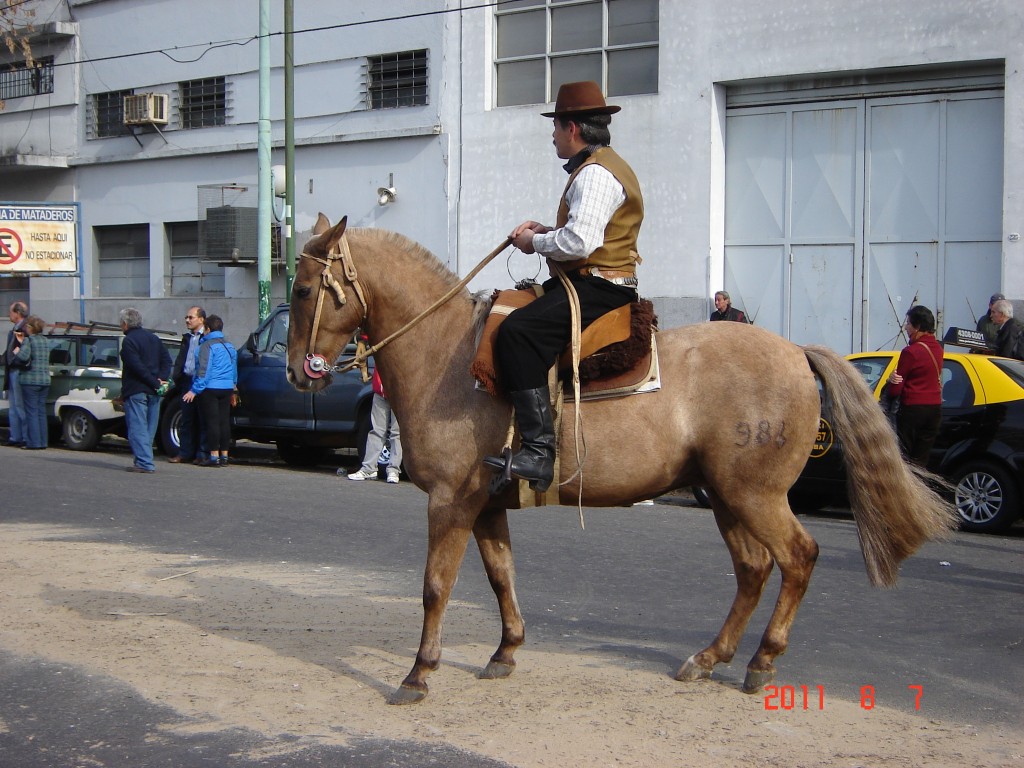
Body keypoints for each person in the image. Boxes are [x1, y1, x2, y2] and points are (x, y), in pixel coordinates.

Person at [483, 81, 643, 492]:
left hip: (600, 287)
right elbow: (581, 234)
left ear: (571, 127)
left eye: (554, 126)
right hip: (592, 281)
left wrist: (532, 242)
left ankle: (538, 452)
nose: (551, 134)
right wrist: (547, 229)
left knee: (517, 333)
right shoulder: (602, 166)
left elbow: (581, 243)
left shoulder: (595, 175)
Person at [886, 305, 944, 467]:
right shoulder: (938, 349)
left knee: (905, 459)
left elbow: (896, 388)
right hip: (934, 409)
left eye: (908, 324)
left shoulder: (910, 352)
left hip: (913, 410)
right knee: (920, 461)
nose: (905, 327)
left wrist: (890, 383)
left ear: (917, 327)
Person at [120, 307, 172, 473]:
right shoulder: (154, 338)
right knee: (149, 428)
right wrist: (160, 380)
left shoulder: (128, 341)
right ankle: (144, 458)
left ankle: (144, 462)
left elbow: (136, 367)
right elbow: (167, 360)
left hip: (137, 389)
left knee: (137, 427)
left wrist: (154, 382)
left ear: (125, 324)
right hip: (154, 391)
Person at [182, 314, 237, 467]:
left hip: (210, 388)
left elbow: (203, 370)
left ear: (207, 329)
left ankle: (213, 457)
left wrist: (194, 390)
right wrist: (233, 386)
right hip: (226, 388)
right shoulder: (229, 345)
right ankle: (225, 456)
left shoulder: (206, 346)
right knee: (224, 422)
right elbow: (234, 370)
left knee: (211, 423)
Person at [346, 367, 402, 483]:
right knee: (377, 431)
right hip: (380, 392)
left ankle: (393, 470)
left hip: (399, 393)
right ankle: (369, 468)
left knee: (396, 433)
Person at [169, 306, 207, 464]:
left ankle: (201, 454)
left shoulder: (207, 337)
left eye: (191, 317)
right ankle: (185, 452)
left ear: (201, 319)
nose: (187, 320)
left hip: (201, 383)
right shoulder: (188, 338)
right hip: (186, 380)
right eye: (186, 317)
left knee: (202, 419)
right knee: (186, 419)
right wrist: (177, 376)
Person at [11, 315, 51, 450]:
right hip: (45, 380)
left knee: (31, 412)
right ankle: (43, 442)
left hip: (30, 380)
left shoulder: (29, 341)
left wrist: (17, 349)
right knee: (41, 412)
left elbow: (23, 356)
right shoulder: (46, 341)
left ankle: (33, 443)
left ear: (30, 328)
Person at [3, 300, 29, 447]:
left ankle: (23, 437)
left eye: (11, 311)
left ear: (18, 313)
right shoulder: (16, 328)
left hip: (17, 370)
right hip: (12, 370)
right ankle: (15, 436)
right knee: (13, 405)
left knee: (19, 405)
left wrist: (11, 359)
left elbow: (19, 349)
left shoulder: (22, 329)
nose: (9, 314)